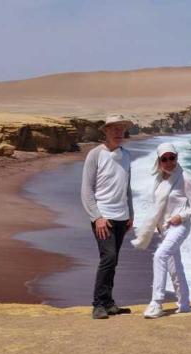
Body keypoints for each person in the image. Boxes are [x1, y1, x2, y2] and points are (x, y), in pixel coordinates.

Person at [131, 142, 191, 318]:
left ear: (177, 157)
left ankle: (156, 303)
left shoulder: (184, 177)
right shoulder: (159, 179)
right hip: (164, 228)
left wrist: (182, 216)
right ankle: (184, 304)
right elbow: (158, 205)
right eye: (165, 159)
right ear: (159, 161)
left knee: (160, 256)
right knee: (174, 267)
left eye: (172, 157)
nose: (169, 162)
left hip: (179, 226)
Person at [81, 114, 134, 319]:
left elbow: (127, 188)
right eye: (114, 129)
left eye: (121, 129)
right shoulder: (95, 155)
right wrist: (97, 217)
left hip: (122, 216)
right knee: (108, 258)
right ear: (106, 131)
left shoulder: (127, 155)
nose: (119, 133)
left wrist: (131, 214)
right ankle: (98, 304)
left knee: (114, 260)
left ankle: (109, 302)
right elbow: (87, 188)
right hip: (104, 217)